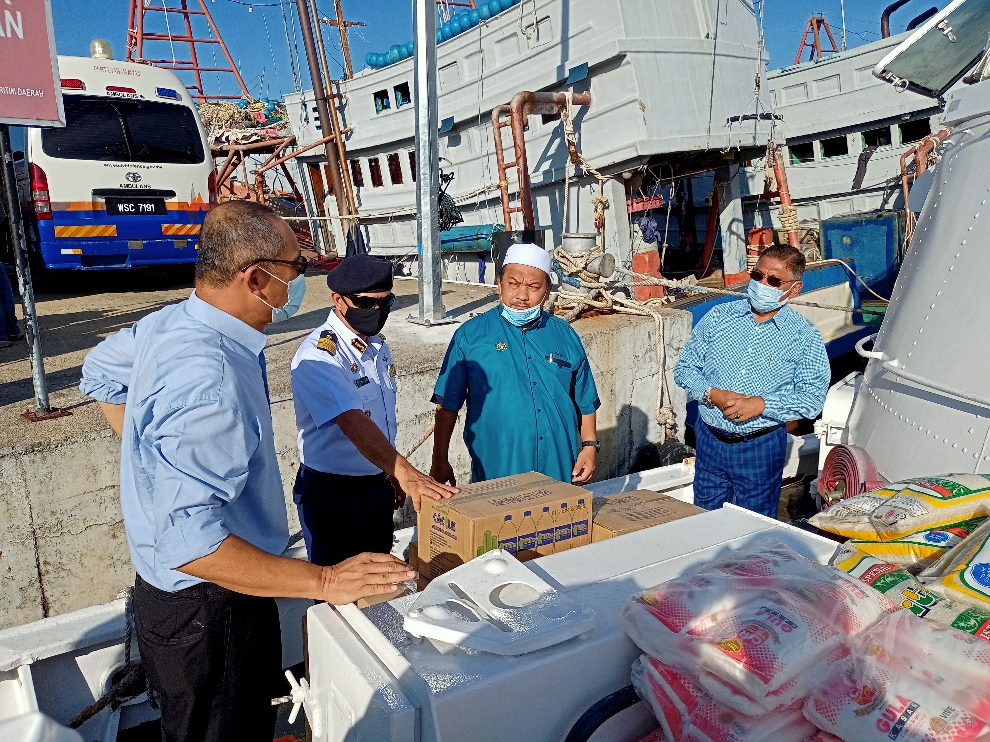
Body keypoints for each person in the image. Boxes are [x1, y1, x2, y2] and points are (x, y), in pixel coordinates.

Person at [79, 200, 415, 742]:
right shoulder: (210, 381)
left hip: (170, 599)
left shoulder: (173, 323)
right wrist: (327, 580)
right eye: (295, 270)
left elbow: (99, 375)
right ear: (257, 278)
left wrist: (145, 458)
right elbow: (192, 545)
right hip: (211, 607)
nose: (297, 284)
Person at [290, 253, 456, 567]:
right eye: (367, 303)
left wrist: (389, 472)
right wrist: (406, 474)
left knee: (381, 580)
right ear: (338, 299)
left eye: (386, 303)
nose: (377, 311)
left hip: (375, 487)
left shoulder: (376, 346)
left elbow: (380, 418)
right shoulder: (320, 355)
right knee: (337, 595)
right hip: (333, 495)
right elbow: (353, 421)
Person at [673, 244, 830, 518]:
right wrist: (711, 394)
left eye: (774, 280)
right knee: (704, 518)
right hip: (709, 439)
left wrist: (762, 404)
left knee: (753, 526)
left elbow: (812, 399)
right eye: (758, 276)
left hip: (760, 445)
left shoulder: (804, 336)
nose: (762, 284)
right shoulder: (718, 317)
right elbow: (685, 369)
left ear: (794, 289)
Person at [430, 243, 600, 485]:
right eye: (514, 284)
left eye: (533, 287)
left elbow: (585, 399)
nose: (522, 296)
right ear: (499, 283)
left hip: (560, 469)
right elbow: (447, 406)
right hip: (496, 470)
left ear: (547, 290)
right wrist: (439, 460)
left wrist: (589, 446)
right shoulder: (470, 336)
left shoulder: (565, 335)